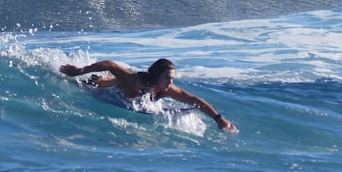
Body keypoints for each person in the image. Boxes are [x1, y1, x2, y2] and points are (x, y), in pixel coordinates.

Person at [59, 58, 238, 132]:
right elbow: (110, 64)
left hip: (120, 98)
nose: (171, 83)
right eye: (168, 78)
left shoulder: (167, 89)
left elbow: (194, 100)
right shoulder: (136, 81)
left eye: (173, 79)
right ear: (156, 76)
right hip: (98, 86)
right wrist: (80, 70)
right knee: (69, 81)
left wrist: (218, 118)